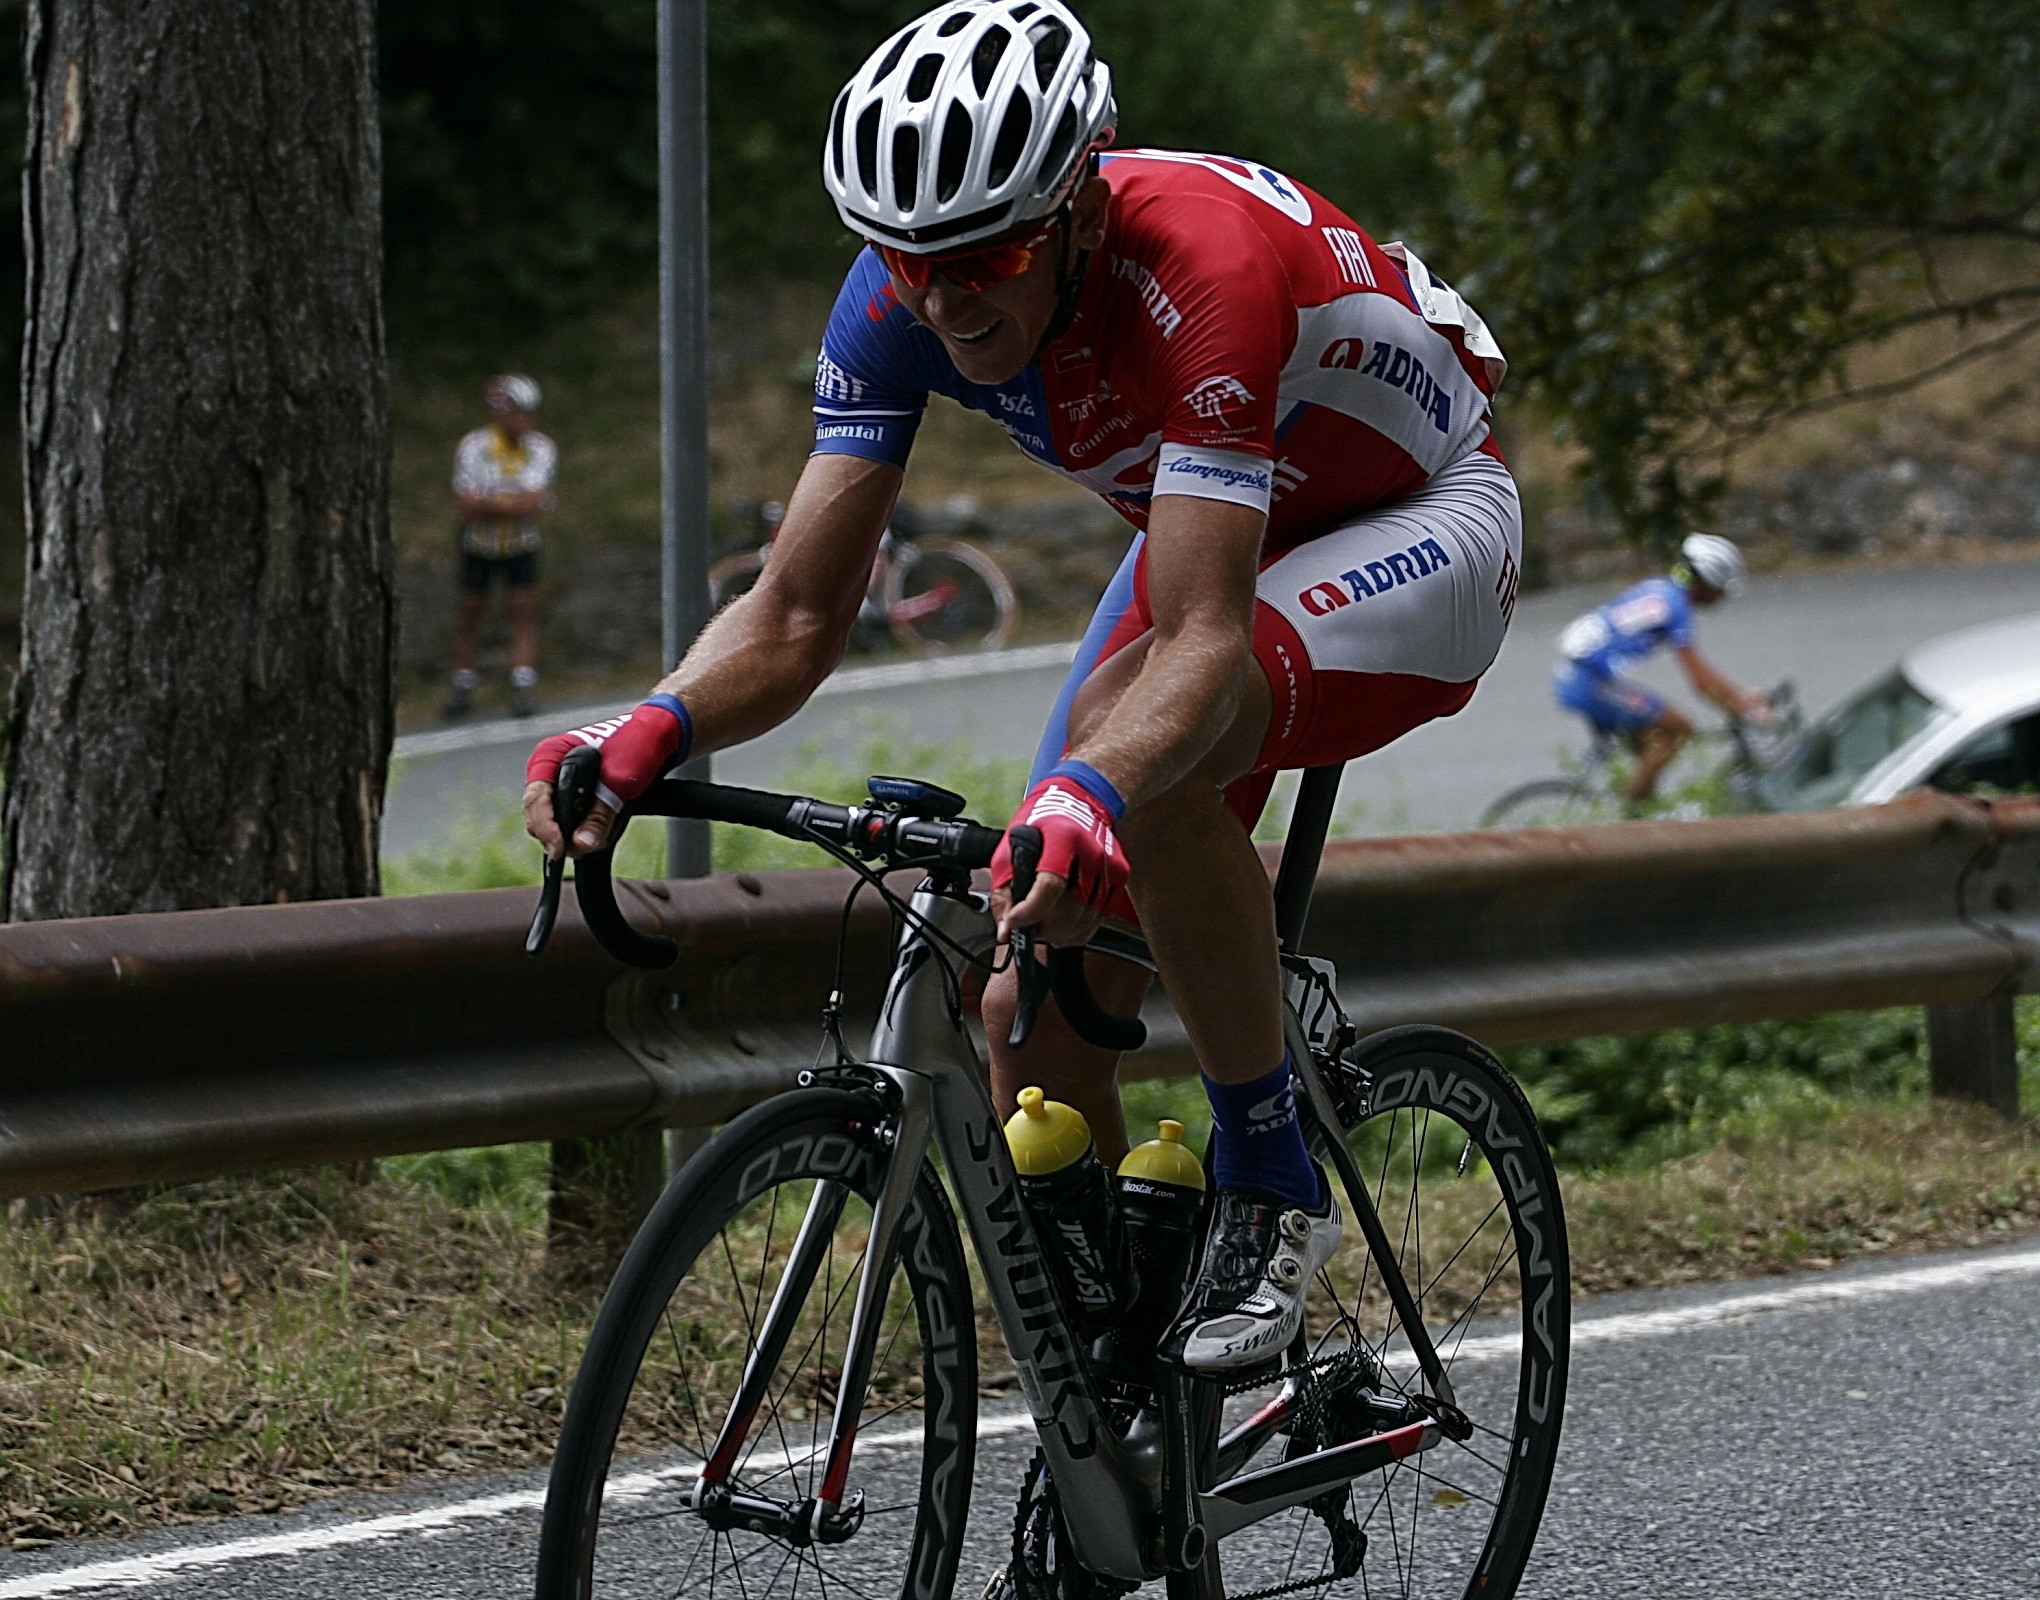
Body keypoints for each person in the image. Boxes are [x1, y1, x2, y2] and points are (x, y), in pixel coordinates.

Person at [524, 0, 1520, 1374]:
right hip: (1216, 523)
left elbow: (1206, 641)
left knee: (1136, 774)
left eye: (985, 254)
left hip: (1421, 520)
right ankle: (1123, 1402)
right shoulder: (903, 297)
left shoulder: (1201, 267)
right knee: (1024, 1007)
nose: (945, 298)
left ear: (1079, 209)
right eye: (909, 261)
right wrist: (647, 724)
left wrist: (1096, 788)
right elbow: (802, 608)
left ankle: (1272, 1175)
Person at [1551, 533, 1769, 804]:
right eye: (1721, 589)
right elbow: (1700, 679)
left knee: (1650, 748)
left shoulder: (1661, 589)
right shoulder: (1675, 607)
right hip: (1587, 684)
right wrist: (1741, 702)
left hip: (1579, 676)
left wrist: (1736, 696)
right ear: (1707, 581)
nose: (1723, 597)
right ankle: (1627, 821)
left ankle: (1641, 808)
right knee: (1679, 729)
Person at [450, 374, 556, 720]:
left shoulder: (540, 447)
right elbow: (467, 503)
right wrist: (511, 504)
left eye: (528, 413)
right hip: (478, 544)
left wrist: (491, 504)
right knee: (470, 611)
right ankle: (463, 684)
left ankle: (522, 683)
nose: (523, 421)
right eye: (517, 413)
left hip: (520, 543)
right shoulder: (474, 446)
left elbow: (534, 504)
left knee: (522, 608)